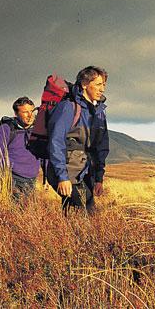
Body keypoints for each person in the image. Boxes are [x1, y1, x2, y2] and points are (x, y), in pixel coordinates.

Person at [47, 66, 109, 214]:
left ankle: (68, 237)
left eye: (104, 85)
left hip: (86, 172)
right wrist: (62, 177)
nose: (102, 89)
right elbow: (56, 142)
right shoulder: (68, 108)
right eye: (98, 84)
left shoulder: (99, 113)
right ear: (84, 84)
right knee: (81, 213)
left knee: (86, 212)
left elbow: (101, 147)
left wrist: (99, 178)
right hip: (67, 172)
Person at [0, 96, 41, 201]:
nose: (30, 115)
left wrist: (46, 178)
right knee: (16, 211)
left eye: (32, 111)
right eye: (25, 112)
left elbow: (43, 154)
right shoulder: (6, 129)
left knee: (29, 212)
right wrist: (3, 179)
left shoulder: (37, 129)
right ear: (16, 114)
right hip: (12, 178)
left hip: (32, 178)